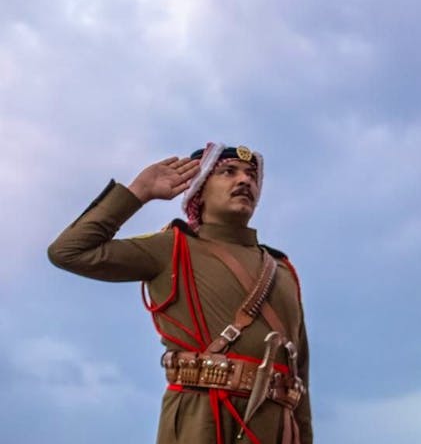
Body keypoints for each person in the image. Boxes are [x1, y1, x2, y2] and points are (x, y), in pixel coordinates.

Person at [49, 143, 312, 444]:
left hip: (275, 429)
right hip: (200, 421)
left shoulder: (282, 270)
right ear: (199, 189)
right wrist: (139, 192)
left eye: (252, 175)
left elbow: (299, 379)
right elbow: (68, 252)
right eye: (228, 172)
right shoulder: (172, 248)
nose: (244, 181)